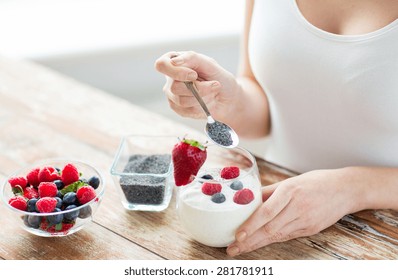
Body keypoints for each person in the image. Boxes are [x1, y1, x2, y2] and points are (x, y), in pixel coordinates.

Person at [155, 0, 398, 256]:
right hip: (273, 212)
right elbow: (268, 112)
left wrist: (352, 188)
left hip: (382, 236)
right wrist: (228, 99)